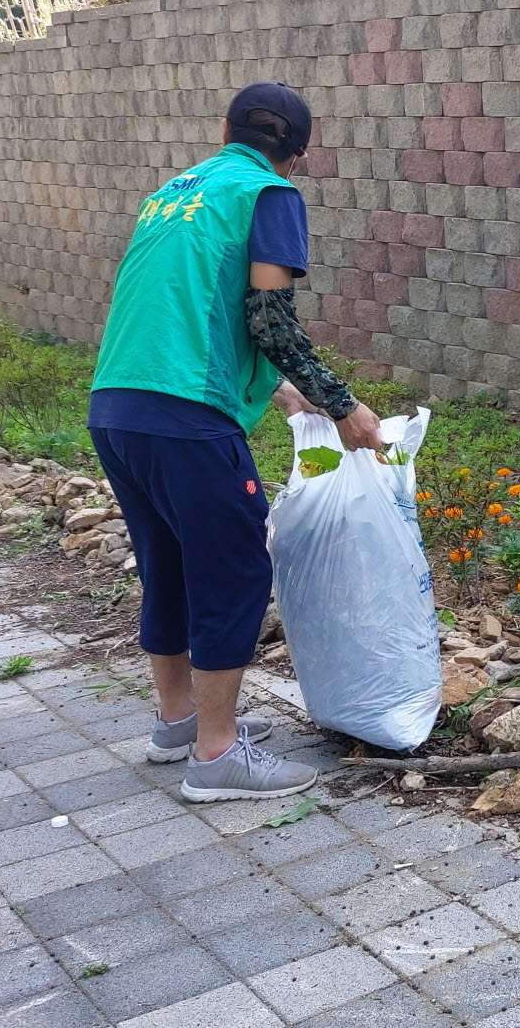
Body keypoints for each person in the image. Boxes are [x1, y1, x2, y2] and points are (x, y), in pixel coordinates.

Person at [88, 83, 382, 803]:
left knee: (169, 562)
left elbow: (191, 308)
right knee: (237, 571)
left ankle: (177, 722)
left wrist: (277, 390)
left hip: (118, 402)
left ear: (224, 129)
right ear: (300, 154)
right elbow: (270, 317)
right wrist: (344, 407)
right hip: (187, 416)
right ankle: (217, 756)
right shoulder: (269, 195)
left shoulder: (176, 190)